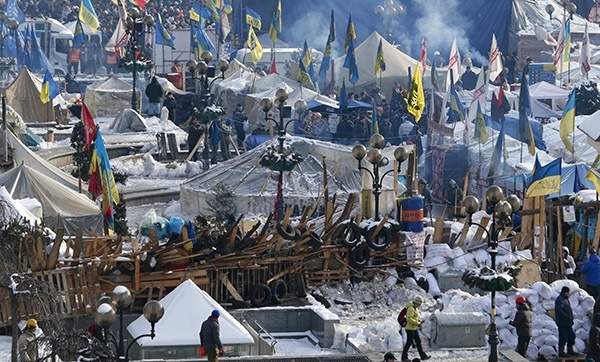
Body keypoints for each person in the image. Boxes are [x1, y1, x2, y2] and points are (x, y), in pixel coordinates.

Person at [400, 296, 430, 361]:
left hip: (413, 327)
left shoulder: (415, 308)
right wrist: (416, 323)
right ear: (417, 303)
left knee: (418, 341)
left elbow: (414, 317)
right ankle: (404, 357)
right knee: (409, 342)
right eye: (420, 304)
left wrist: (419, 321)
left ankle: (423, 356)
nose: (420, 305)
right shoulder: (411, 308)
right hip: (410, 328)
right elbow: (409, 318)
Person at [555, 286, 577, 357]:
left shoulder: (565, 299)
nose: (569, 294)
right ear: (565, 292)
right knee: (563, 337)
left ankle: (570, 350)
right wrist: (567, 317)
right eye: (568, 292)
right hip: (563, 323)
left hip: (568, 323)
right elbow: (559, 310)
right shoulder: (560, 299)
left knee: (571, 336)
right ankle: (561, 352)